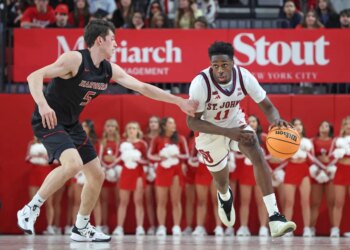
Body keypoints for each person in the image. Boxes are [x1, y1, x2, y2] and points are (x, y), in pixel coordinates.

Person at [17, 19, 197, 242]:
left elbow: (142, 87)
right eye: (113, 40)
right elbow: (33, 76)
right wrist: (42, 105)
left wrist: (178, 101)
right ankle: (30, 209)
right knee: (72, 164)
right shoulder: (75, 59)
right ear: (100, 40)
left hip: (71, 123)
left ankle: (81, 227)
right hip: (49, 120)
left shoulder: (108, 69)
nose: (116, 45)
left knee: (97, 174)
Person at [187, 41, 296, 237]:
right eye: (215, 66)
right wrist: (229, 133)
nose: (220, 70)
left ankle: (274, 216)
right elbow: (192, 123)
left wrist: (276, 120)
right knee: (221, 181)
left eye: (224, 65)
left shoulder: (244, 77)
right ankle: (224, 196)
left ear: (233, 63)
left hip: (235, 123)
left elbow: (269, 107)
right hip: (208, 134)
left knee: (255, 149)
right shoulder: (200, 84)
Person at [148, 117, 189, 236]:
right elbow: (150, 155)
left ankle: (176, 226)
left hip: (176, 170)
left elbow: (186, 155)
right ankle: (161, 227)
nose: (174, 125)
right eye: (171, 123)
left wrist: (177, 155)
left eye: (174, 122)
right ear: (164, 126)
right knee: (161, 201)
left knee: (176, 200)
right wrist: (160, 158)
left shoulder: (180, 138)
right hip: (162, 170)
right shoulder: (157, 139)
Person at [112, 122, 148, 236]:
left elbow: (147, 160)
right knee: (123, 201)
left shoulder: (142, 143)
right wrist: (118, 159)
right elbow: (117, 158)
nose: (132, 130)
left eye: (134, 128)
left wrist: (137, 158)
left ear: (138, 130)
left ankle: (140, 227)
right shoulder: (122, 143)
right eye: (130, 128)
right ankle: (119, 228)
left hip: (138, 173)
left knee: (138, 201)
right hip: (126, 173)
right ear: (127, 131)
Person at [236, 115, 269, 237]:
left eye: (254, 121)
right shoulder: (240, 138)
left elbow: (273, 156)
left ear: (258, 124)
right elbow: (236, 155)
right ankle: (243, 227)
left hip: (259, 171)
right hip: (246, 171)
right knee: (244, 201)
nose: (251, 123)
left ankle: (263, 227)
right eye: (249, 121)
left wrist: (261, 157)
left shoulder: (264, 138)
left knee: (261, 200)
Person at [283, 118, 313, 237]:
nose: (298, 126)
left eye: (300, 124)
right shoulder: (286, 141)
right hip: (291, 168)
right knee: (289, 202)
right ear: (291, 128)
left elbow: (313, 158)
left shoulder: (307, 142)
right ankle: (288, 229)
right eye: (295, 124)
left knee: (305, 201)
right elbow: (281, 157)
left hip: (303, 169)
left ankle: (307, 228)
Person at [309, 121, 336, 236]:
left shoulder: (335, 142)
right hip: (318, 174)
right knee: (315, 203)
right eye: (321, 125)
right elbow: (310, 157)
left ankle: (335, 228)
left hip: (330, 174)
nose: (323, 127)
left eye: (325, 126)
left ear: (330, 129)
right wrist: (317, 170)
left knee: (332, 202)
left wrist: (330, 169)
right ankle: (310, 228)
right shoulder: (312, 141)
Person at [98, 118, 121, 234]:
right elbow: (99, 157)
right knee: (104, 200)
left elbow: (121, 157)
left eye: (113, 126)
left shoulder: (119, 142)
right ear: (105, 128)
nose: (111, 129)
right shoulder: (102, 142)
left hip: (116, 173)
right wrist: (105, 168)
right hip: (105, 172)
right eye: (108, 126)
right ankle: (104, 224)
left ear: (116, 129)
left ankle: (118, 225)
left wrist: (113, 164)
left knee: (118, 200)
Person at [331, 116, 350, 237]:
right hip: (341, 171)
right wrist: (337, 153)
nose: (349, 126)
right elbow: (330, 156)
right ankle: (335, 229)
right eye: (347, 124)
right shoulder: (337, 140)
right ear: (343, 126)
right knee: (338, 202)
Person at [143, 116, 160, 235]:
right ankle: (152, 225)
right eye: (151, 122)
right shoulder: (144, 138)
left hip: (160, 169)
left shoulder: (162, 138)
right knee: (148, 199)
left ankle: (161, 225)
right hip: (147, 169)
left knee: (160, 199)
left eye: (155, 122)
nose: (153, 124)